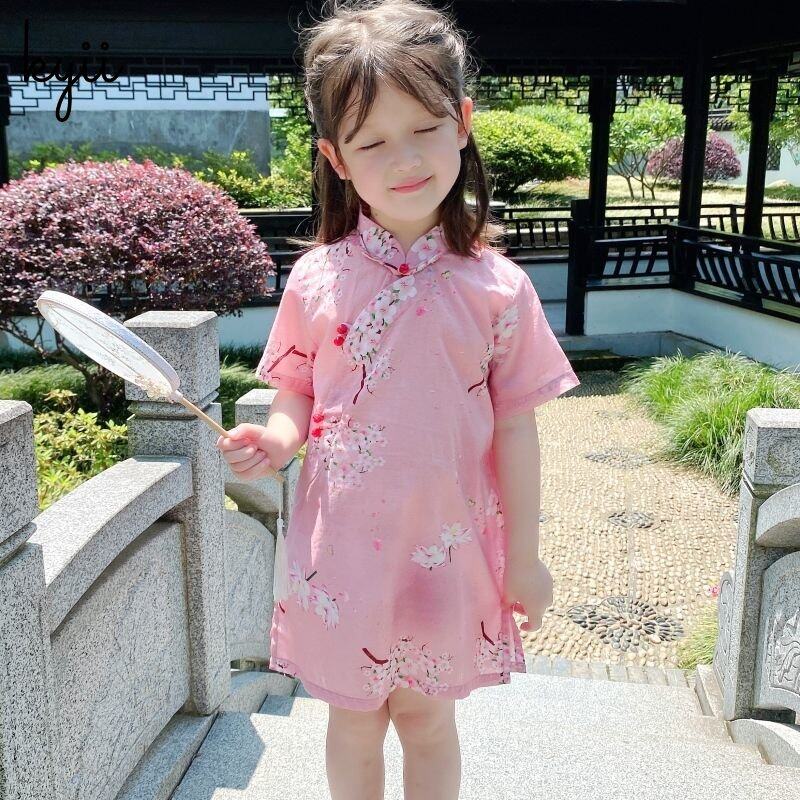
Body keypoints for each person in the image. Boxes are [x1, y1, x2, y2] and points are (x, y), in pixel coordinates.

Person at [216, 0, 580, 797]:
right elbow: (297, 392)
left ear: (463, 123)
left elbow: (516, 431)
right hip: (342, 550)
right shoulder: (317, 278)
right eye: (373, 141)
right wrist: (276, 441)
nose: (405, 158)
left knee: (427, 720)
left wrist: (523, 559)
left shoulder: (498, 288)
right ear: (336, 158)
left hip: (446, 549)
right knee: (353, 721)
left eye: (424, 128)